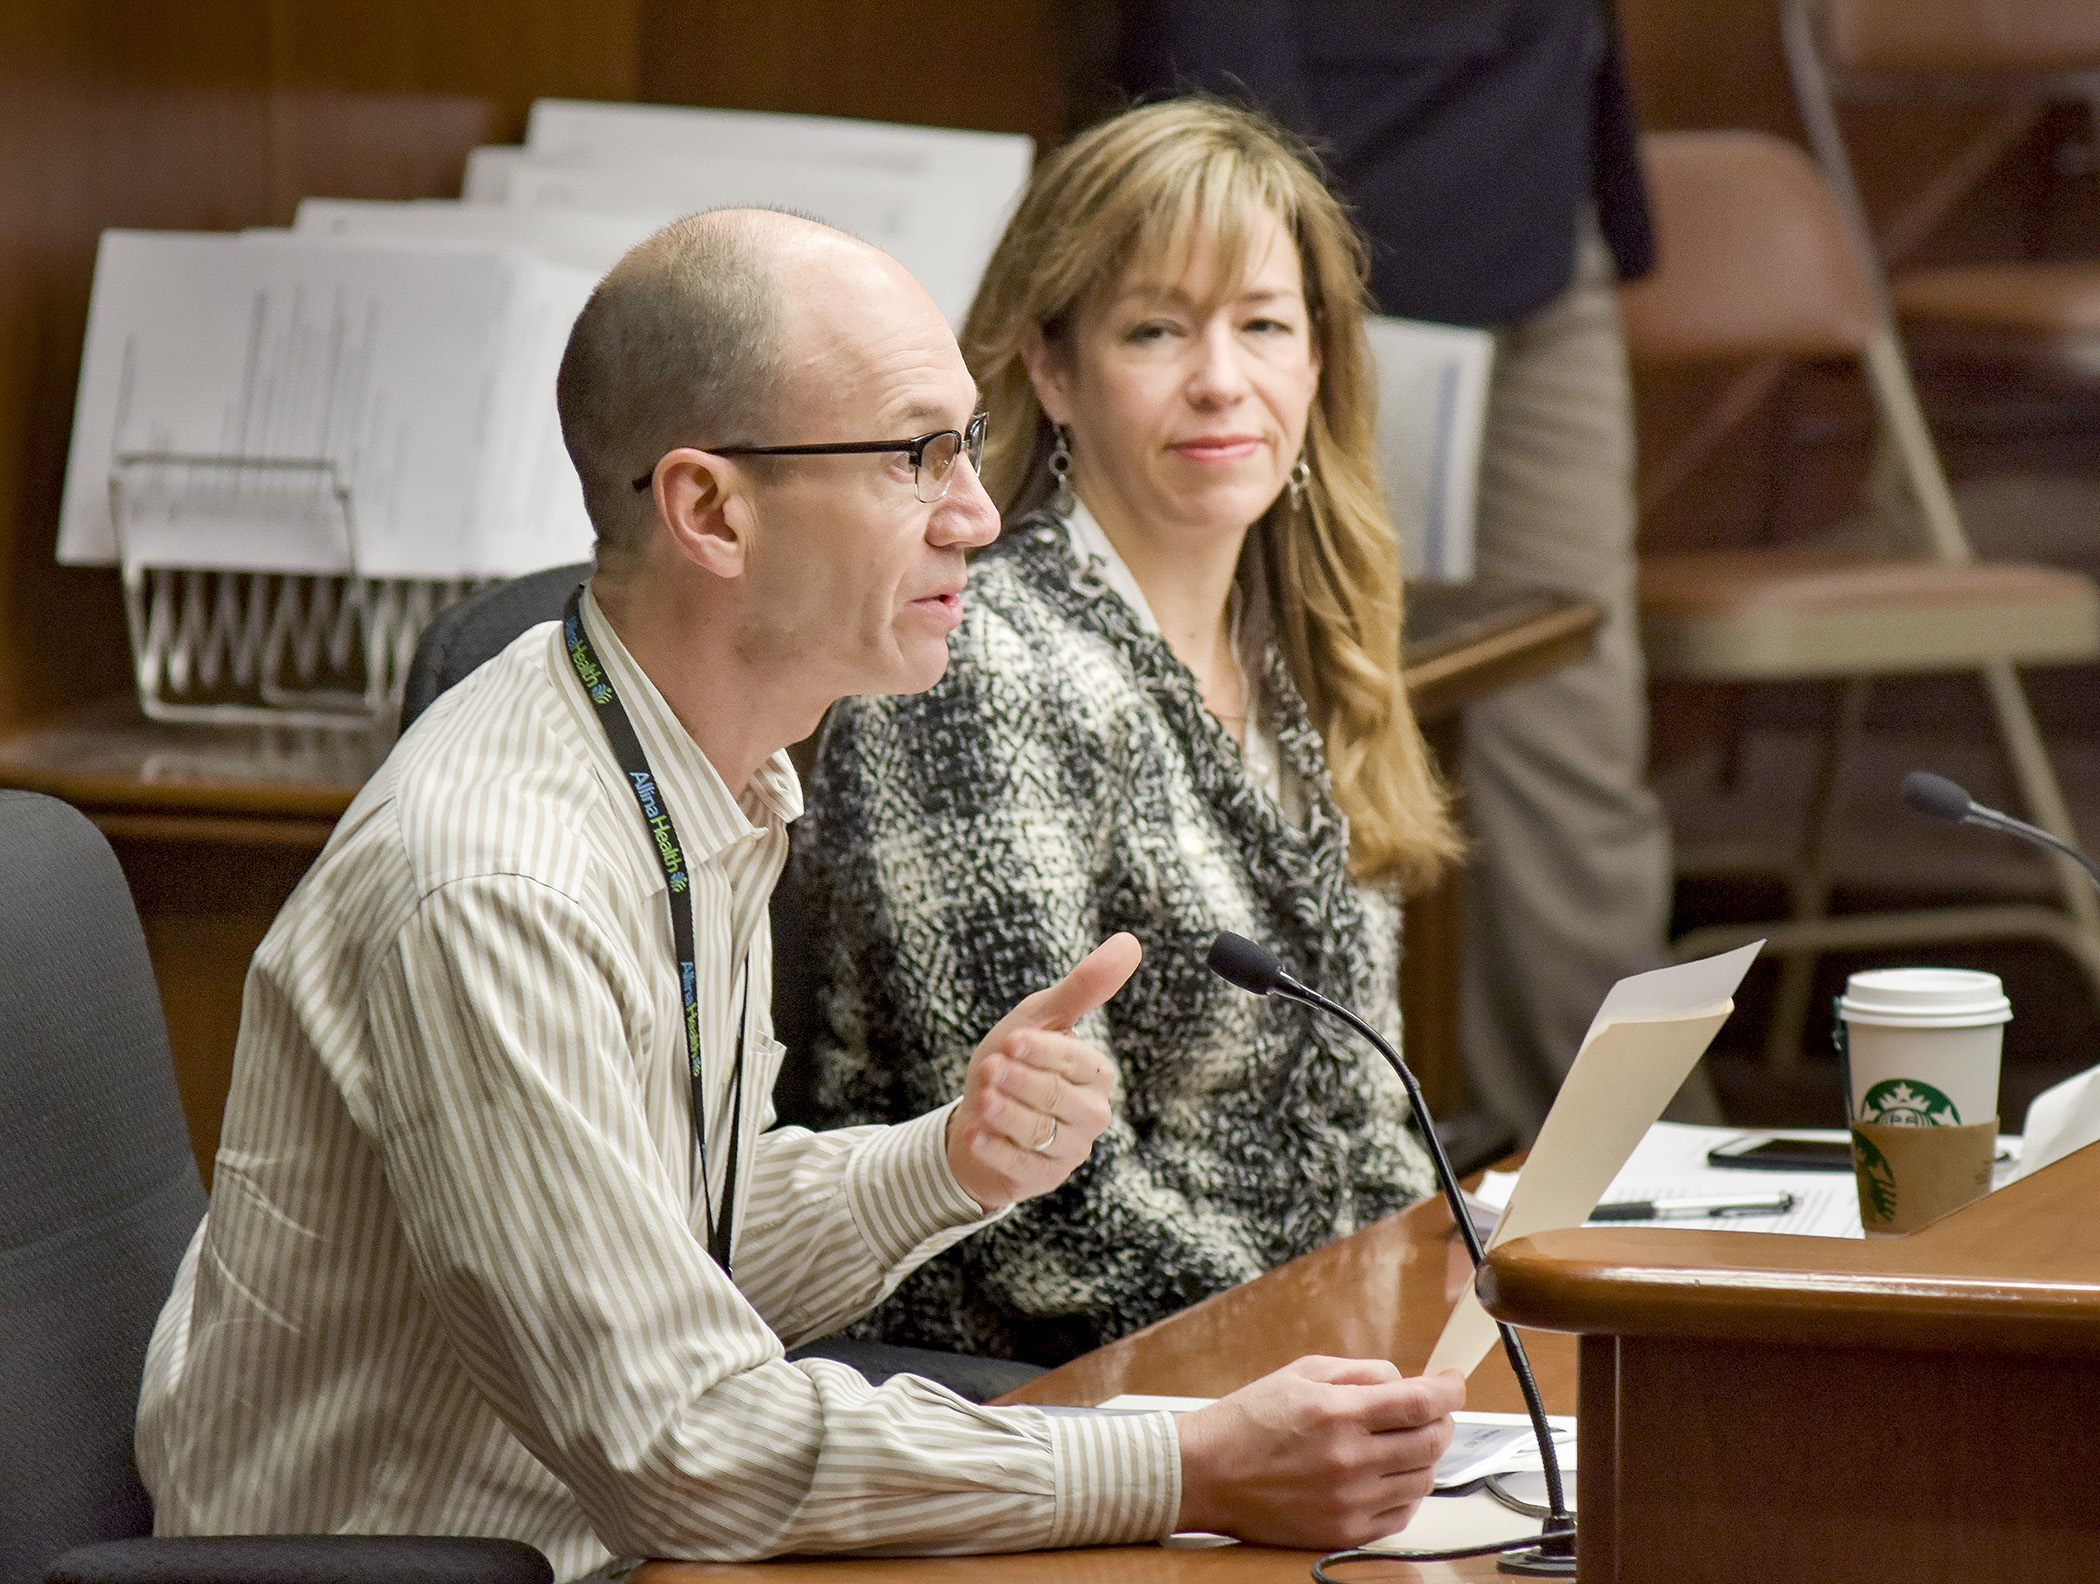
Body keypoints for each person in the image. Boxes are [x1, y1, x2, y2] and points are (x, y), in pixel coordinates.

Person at [134, 208, 1463, 1576]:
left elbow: (668, 1242)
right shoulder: (496, 878)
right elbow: (690, 1449)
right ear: (711, 508)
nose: (979, 515)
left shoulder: (706, 775)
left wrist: (951, 1161)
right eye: (912, 456)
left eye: (965, 443)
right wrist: (1189, 1462)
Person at [783, 100, 1462, 1366]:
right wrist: (1352, 1347)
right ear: (1053, 368)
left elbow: (1364, 1110)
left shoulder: (1301, 645)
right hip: (1040, 1385)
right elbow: (1045, 1219)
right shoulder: (978, 666)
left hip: (1309, 1361)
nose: (1223, 377)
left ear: (1319, 360)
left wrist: (1456, 1291)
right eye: (1157, 328)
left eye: (1263, 324)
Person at [1116, 0, 1723, 1136]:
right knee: (1316, 716)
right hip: (1329, 226)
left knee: (1574, 727)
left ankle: (1624, 1155)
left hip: (1544, 207)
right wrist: (1269, 260)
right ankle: (1349, 1166)